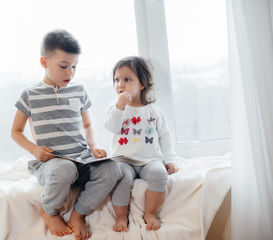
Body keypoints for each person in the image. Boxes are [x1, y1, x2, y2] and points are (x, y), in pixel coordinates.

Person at [11, 29, 122, 240]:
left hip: (82, 158)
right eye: (63, 66)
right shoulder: (30, 95)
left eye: (74, 66)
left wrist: (93, 147)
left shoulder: (79, 90)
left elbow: (88, 124)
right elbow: (15, 132)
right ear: (44, 62)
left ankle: (77, 215)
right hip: (52, 163)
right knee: (65, 168)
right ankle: (49, 211)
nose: (70, 73)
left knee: (112, 169)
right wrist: (34, 150)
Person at [105, 56, 179, 232]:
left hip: (149, 160)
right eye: (117, 80)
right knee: (120, 177)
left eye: (127, 79)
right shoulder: (116, 108)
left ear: (142, 84)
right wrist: (119, 107)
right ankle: (121, 216)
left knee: (160, 175)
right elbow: (111, 127)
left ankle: (150, 213)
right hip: (123, 159)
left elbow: (164, 136)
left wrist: (169, 160)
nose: (120, 84)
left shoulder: (152, 110)